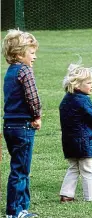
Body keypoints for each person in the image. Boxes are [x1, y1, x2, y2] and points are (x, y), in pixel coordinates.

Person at [2, 29, 42, 217]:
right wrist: (36, 116)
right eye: (32, 53)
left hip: (9, 125)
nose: (35, 57)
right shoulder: (25, 70)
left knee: (19, 166)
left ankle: (23, 206)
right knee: (20, 170)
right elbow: (33, 98)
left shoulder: (9, 72)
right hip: (23, 126)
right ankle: (15, 211)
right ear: (19, 54)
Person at [59, 59, 92, 202]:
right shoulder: (83, 100)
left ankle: (66, 194)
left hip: (68, 141)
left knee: (73, 167)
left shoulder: (66, 100)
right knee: (87, 168)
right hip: (83, 140)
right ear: (77, 84)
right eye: (89, 83)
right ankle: (90, 197)